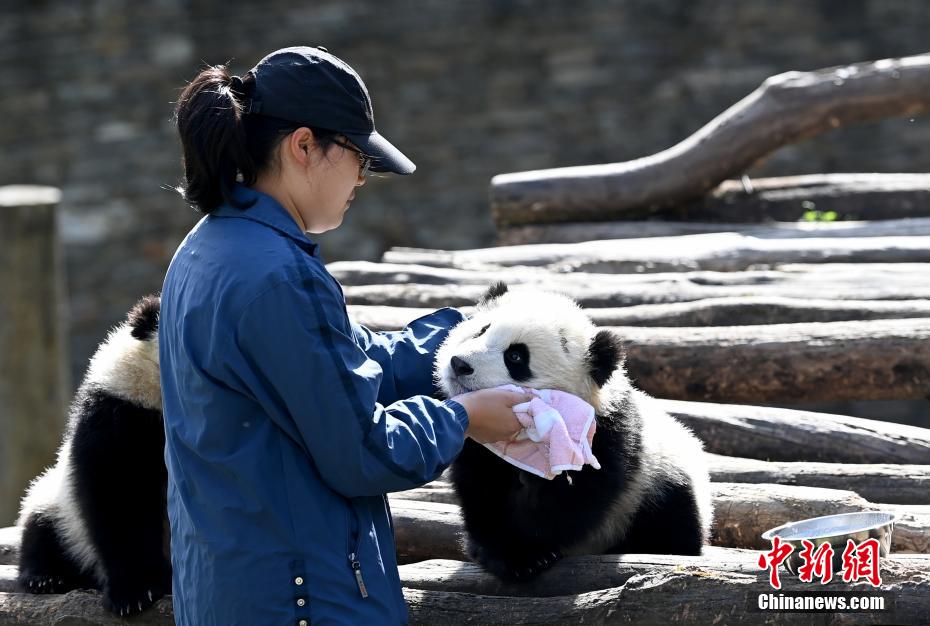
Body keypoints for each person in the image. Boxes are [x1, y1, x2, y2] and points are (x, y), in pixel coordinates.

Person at [160, 46, 527, 625]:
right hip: (303, 602)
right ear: (303, 146)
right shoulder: (278, 276)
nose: (364, 174)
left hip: (243, 589)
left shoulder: (210, 247)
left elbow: (350, 362)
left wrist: (464, 332)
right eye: (357, 154)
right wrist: (466, 418)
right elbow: (362, 451)